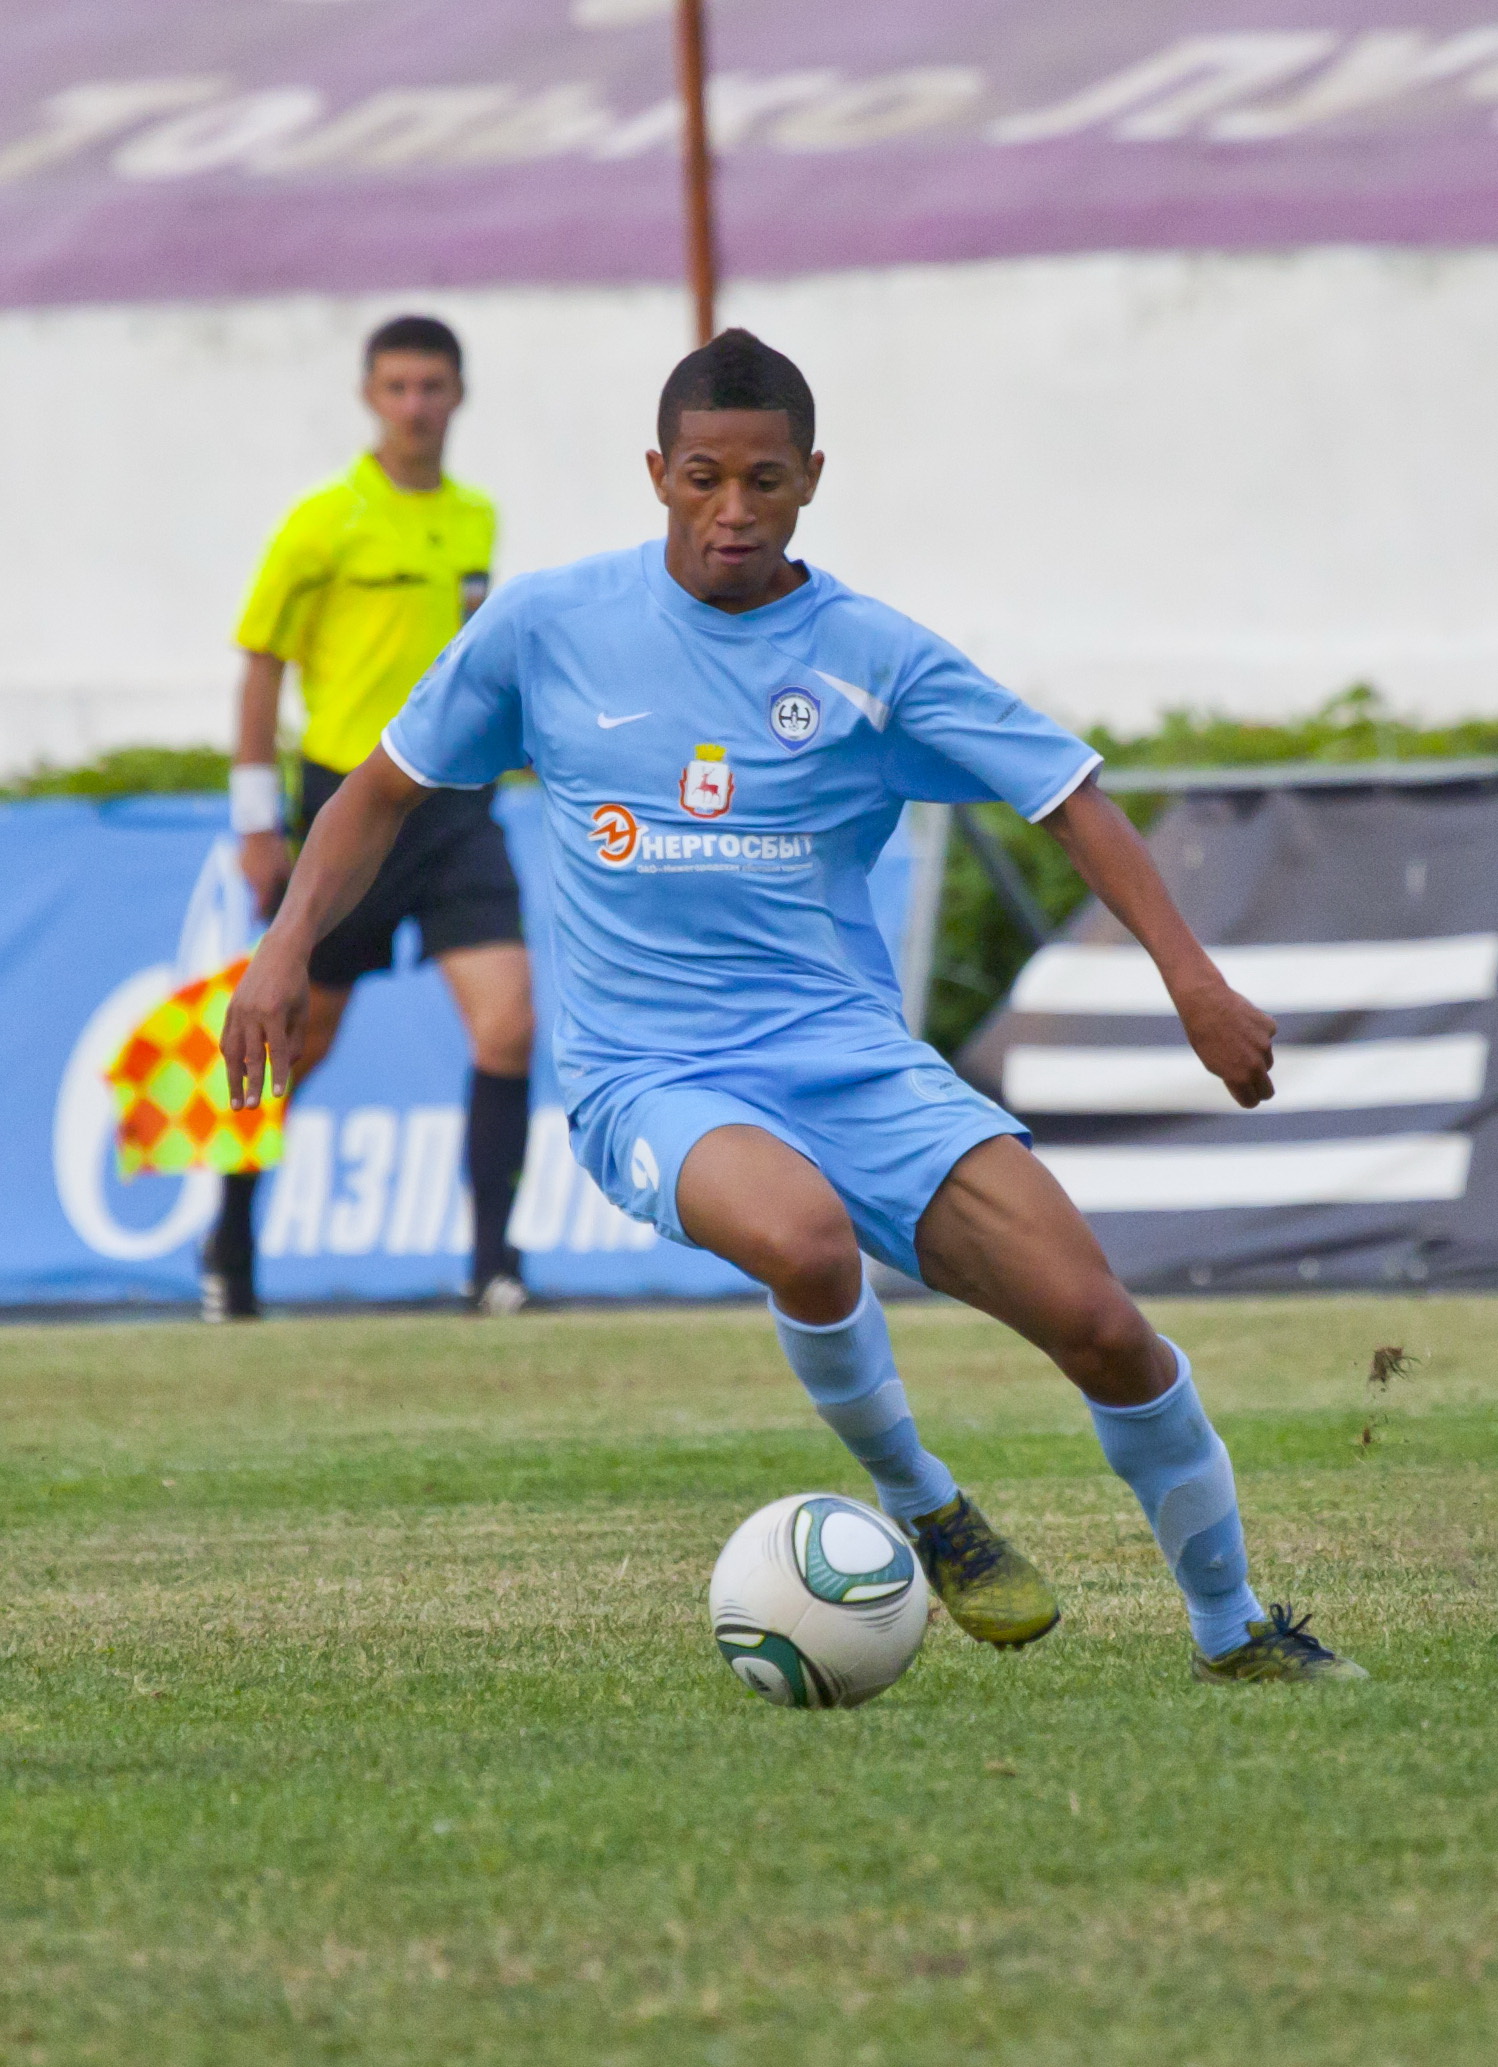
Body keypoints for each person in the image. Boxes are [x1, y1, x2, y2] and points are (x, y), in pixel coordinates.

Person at [223, 329, 1364, 1683]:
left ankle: (1234, 1629)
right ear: (657, 472)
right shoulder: (547, 627)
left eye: (763, 480)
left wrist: (1192, 978)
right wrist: (284, 947)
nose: (732, 510)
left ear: (811, 477)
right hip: (649, 1075)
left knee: (1104, 1328)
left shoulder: (871, 656)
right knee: (807, 1240)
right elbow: (379, 789)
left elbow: (1066, 796)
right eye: (703, 477)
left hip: (852, 1064)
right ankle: (925, 1500)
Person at [208, 313, 533, 1321]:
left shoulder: (475, 516)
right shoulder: (324, 520)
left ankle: (493, 1267)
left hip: (457, 807)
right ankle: (229, 1240)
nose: (414, 406)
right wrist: (258, 822)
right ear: (368, 396)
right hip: (351, 805)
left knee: (510, 1024)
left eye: (431, 386)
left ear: (459, 394)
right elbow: (261, 665)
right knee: (299, 1041)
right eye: (396, 387)